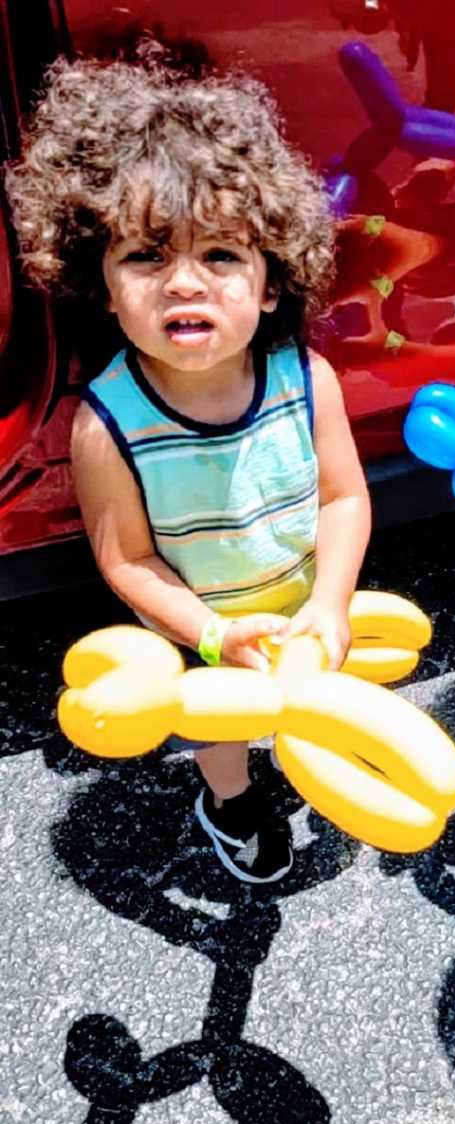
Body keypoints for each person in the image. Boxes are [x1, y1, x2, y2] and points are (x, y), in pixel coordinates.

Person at [5, 47, 372, 883]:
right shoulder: (108, 424)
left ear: (271, 281)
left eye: (220, 257)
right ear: (98, 281)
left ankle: (291, 756)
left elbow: (346, 497)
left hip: (303, 607)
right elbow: (124, 557)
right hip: (201, 629)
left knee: (301, 712)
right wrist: (212, 634)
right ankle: (231, 805)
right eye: (145, 257)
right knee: (221, 734)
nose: (184, 284)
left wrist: (329, 602)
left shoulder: (306, 378)